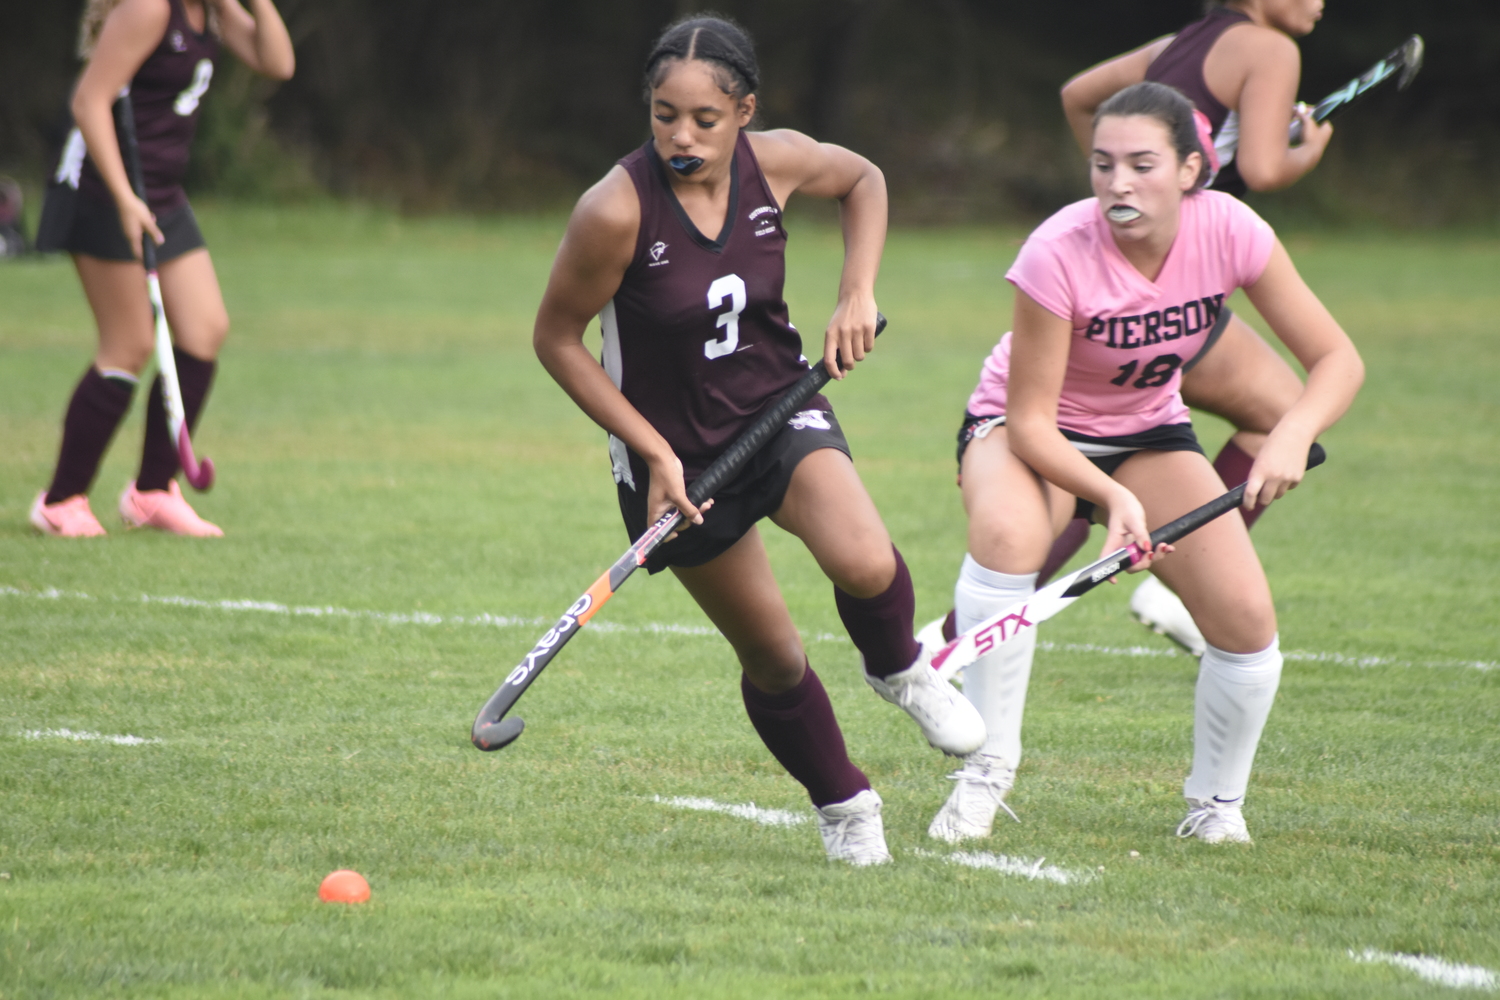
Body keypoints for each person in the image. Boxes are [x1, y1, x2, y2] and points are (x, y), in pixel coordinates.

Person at [532, 15, 985, 866]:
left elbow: (865, 180)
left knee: (865, 560)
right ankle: (844, 803)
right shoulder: (615, 209)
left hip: (778, 410)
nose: (681, 136)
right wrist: (655, 455)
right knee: (774, 656)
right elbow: (556, 339)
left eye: (704, 118)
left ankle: (899, 669)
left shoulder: (774, 161)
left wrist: (857, 290)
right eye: (664, 114)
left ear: (745, 111)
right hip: (676, 462)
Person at [929, 82, 1362, 846]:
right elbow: (1030, 423)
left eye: (1141, 164)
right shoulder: (1056, 250)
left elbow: (1336, 359)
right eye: (1102, 165)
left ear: (1192, 170)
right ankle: (986, 775)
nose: (1118, 184)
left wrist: (1292, 431)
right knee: (1008, 535)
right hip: (1030, 428)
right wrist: (1112, 501)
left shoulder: (1231, 229)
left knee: (1246, 621)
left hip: (1147, 431)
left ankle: (1215, 809)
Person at [1037, 0, 1335, 653]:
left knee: (1095, 466)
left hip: (1120, 281)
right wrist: (1304, 153)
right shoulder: (1271, 49)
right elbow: (1260, 167)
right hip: (1165, 288)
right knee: (1276, 415)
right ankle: (1169, 588)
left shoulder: (1182, 42)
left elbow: (1078, 96)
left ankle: (972, 624)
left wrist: (1121, 188)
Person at [29, 0, 293, 537]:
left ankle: (152, 492)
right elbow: (89, 100)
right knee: (128, 344)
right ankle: (61, 501)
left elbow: (277, 62)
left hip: (162, 193)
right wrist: (125, 198)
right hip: (104, 189)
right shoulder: (149, 8)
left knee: (203, 330)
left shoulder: (212, 10)